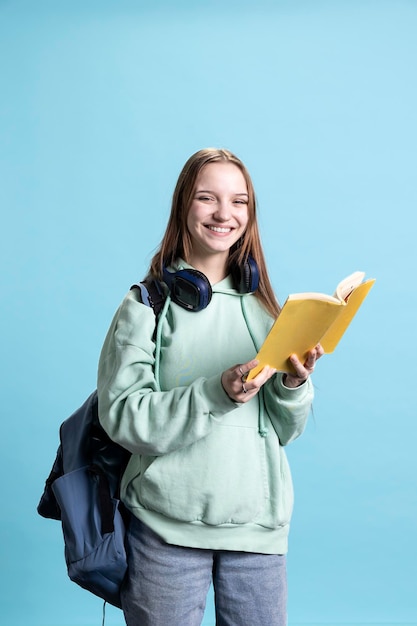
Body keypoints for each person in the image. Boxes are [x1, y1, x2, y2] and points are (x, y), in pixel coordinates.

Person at [97, 148, 324, 626]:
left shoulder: (268, 312)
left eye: (239, 201)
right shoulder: (146, 305)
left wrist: (291, 385)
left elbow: (286, 430)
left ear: (250, 213)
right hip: (164, 529)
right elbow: (122, 417)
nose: (225, 213)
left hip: (257, 531)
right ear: (184, 206)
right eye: (208, 198)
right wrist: (214, 392)